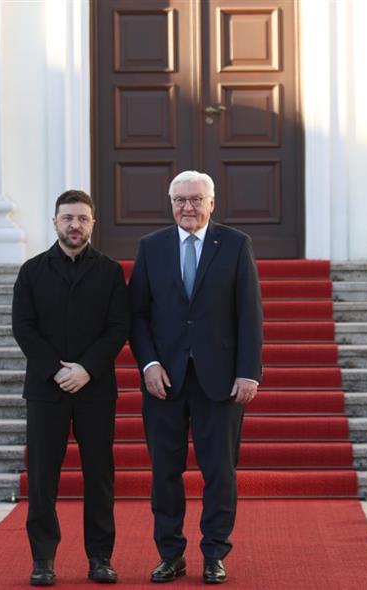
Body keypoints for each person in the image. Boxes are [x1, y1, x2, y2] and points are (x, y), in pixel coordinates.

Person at [128, 170, 263, 585]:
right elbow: (137, 315)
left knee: (219, 472)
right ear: (170, 204)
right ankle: (171, 554)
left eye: (195, 199)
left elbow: (249, 313)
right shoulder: (151, 248)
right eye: (179, 200)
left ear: (211, 202)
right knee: (165, 473)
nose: (187, 207)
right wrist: (149, 364)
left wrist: (248, 372)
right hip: (164, 381)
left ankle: (214, 553)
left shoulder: (236, 245)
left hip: (219, 380)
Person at [12, 190, 130, 586]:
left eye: (82, 218)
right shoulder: (31, 271)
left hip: (95, 390)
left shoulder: (111, 272)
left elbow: (118, 328)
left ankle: (100, 558)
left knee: (99, 476)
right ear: (55, 222)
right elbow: (23, 328)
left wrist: (86, 369)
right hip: (46, 391)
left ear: (92, 223)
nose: (74, 225)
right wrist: (56, 371)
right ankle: (42, 560)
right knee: (43, 478)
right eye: (67, 218)